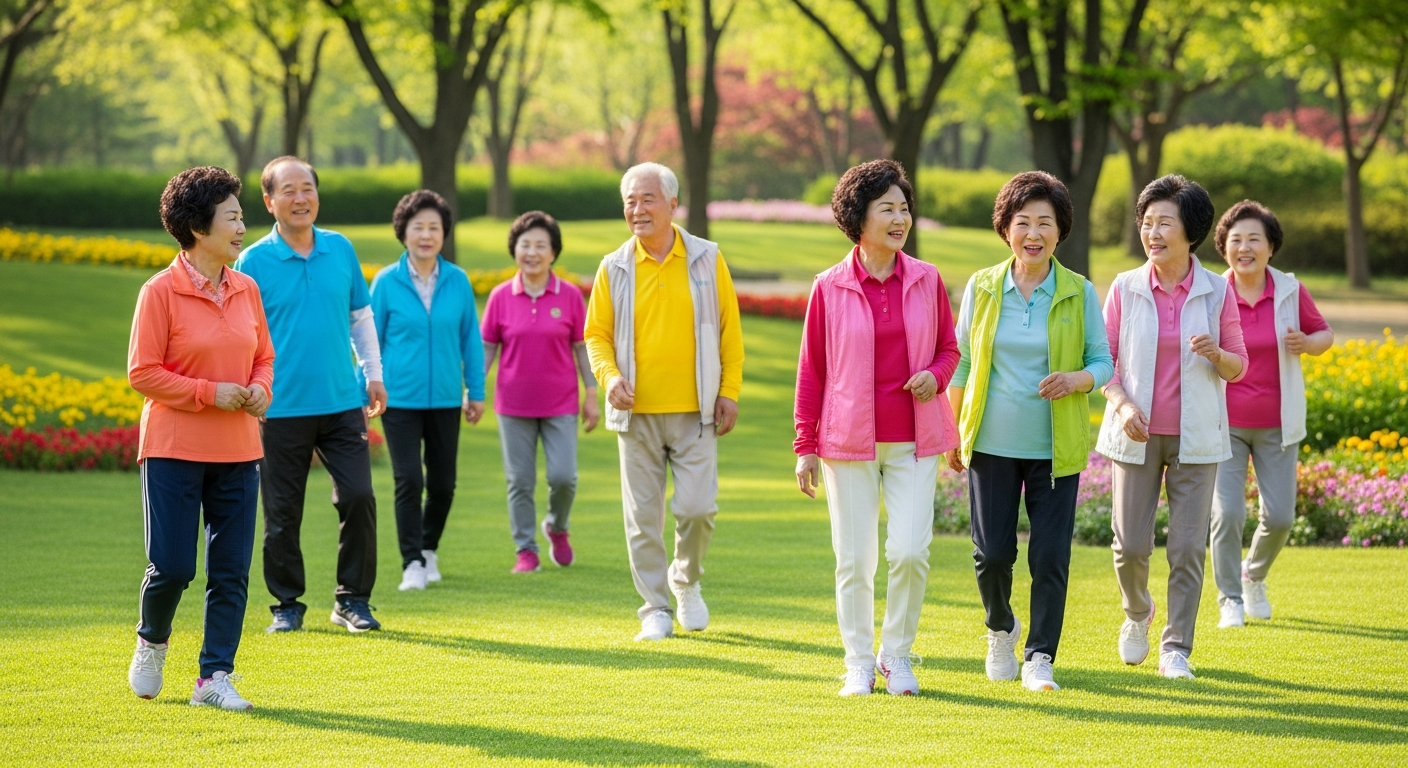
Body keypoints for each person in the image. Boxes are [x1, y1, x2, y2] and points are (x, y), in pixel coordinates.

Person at [794, 159, 961, 697]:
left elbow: (949, 349)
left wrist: (934, 378)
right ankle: (858, 662)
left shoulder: (928, 279)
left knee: (911, 551)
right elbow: (811, 370)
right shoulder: (829, 285)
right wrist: (805, 445)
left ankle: (897, 655)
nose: (899, 218)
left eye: (904, 208)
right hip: (847, 443)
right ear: (857, 217)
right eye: (886, 208)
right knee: (855, 559)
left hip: (916, 439)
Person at [946, 171, 1113, 692]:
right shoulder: (982, 286)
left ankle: (1040, 656)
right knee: (992, 554)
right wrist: (951, 431)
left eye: (1045, 222)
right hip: (991, 443)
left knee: (1049, 557)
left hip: (1055, 448)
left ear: (1060, 231)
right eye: (1024, 222)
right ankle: (1001, 629)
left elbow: (1104, 363)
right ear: (1006, 228)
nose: (1033, 233)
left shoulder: (1079, 291)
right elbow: (962, 362)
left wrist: (1076, 380)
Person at [127, 166, 273, 710]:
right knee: (173, 567)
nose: (241, 227)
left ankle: (214, 677)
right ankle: (152, 640)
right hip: (173, 448)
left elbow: (264, 356)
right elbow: (142, 372)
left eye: (241, 216)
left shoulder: (247, 287)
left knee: (231, 571)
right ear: (197, 225)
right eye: (232, 216)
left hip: (239, 449)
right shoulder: (159, 292)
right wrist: (212, 393)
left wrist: (260, 388)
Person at [584, 162, 744, 643]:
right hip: (636, 415)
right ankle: (654, 607)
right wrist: (608, 377)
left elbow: (730, 331)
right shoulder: (613, 265)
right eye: (630, 200)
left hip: (696, 412)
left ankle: (686, 580)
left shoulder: (707, 258)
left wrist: (729, 391)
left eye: (647, 198)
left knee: (698, 509)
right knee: (642, 519)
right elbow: (597, 336)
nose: (637, 209)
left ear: (673, 204)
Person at [1096, 174, 1248, 680]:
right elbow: (1103, 361)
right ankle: (1138, 613)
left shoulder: (1216, 290)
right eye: (1147, 222)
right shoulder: (1125, 286)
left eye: (1164, 222)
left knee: (1186, 548)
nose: (1152, 232)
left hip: (1197, 435)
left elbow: (1238, 365)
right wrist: (1120, 406)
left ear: (1192, 231)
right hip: (1135, 431)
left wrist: (1217, 354)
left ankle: (1176, 648)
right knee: (1130, 547)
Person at [234, 156, 387, 634]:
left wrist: (373, 374)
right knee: (281, 512)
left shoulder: (340, 249)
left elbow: (360, 317)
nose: (300, 199)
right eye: (289, 191)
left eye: (308, 189)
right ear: (269, 201)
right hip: (279, 409)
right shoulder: (252, 261)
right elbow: (240, 333)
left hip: (342, 402)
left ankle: (352, 600)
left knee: (359, 497)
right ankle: (286, 604)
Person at [1209, 201, 1333, 628]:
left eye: (1253, 240)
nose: (1244, 247)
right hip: (1222, 422)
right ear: (1223, 246)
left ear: (1271, 247)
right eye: (1235, 240)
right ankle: (1229, 598)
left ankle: (1253, 575)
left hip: (1278, 423)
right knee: (1226, 514)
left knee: (1280, 517)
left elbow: (1324, 334)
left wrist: (1307, 343)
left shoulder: (1289, 291)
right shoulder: (1211, 291)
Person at [370, 190, 485, 592]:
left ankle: (429, 547)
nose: (426, 235)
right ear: (403, 233)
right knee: (408, 480)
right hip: (399, 398)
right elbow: (369, 340)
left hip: (447, 399)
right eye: (417, 227)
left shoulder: (458, 280)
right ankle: (412, 562)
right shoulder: (386, 282)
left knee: (442, 484)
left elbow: (471, 339)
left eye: (434, 227)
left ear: (444, 234)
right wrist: (366, 386)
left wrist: (477, 389)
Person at [483, 211, 598, 573]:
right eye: (525, 245)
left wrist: (591, 394)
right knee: (520, 480)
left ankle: (557, 527)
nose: (531, 252)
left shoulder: (571, 297)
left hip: (560, 402)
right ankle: (526, 549)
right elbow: (487, 347)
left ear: (553, 253)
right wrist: (471, 389)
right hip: (512, 404)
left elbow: (582, 347)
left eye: (540, 246)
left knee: (564, 477)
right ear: (514, 250)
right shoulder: (500, 296)